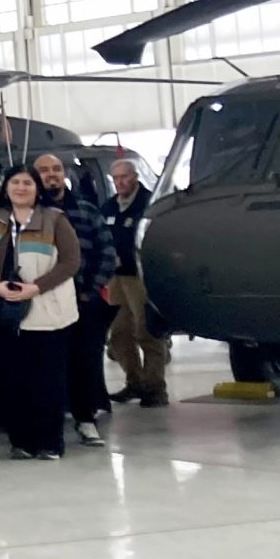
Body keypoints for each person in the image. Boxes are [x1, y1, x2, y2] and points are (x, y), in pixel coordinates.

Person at [0, 167, 82, 461]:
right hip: (4, 310)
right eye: (15, 182)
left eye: (27, 183)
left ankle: (50, 442)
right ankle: (20, 441)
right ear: (6, 187)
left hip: (47, 312)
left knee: (49, 381)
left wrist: (36, 288)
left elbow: (71, 261)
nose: (21, 188)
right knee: (12, 380)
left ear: (37, 188)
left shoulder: (54, 219)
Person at [34, 152, 112, 449]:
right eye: (44, 170)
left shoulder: (86, 211)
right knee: (48, 365)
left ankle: (86, 419)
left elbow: (106, 252)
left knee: (85, 362)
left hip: (82, 301)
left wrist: (90, 291)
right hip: (41, 302)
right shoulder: (30, 215)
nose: (51, 174)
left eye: (56, 169)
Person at [100, 159, 166, 407]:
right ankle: (134, 381)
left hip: (140, 278)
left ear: (135, 177)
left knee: (146, 330)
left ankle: (155, 387)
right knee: (119, 333)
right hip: (116, 278)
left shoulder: (149, 205)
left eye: (124, 177)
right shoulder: (108, 207)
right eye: (115, 178)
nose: (120, 183)